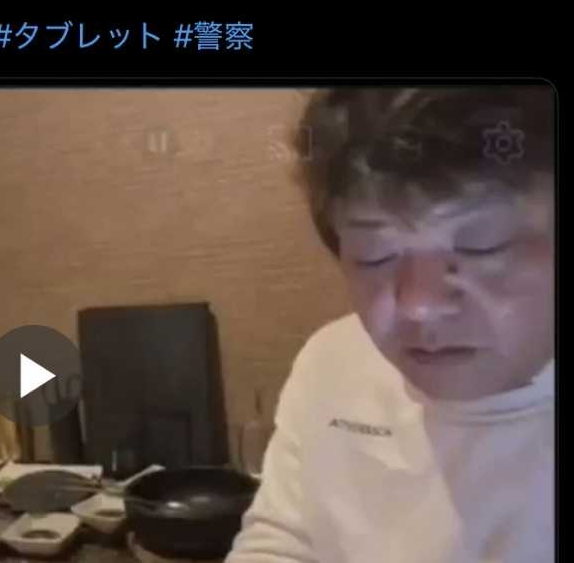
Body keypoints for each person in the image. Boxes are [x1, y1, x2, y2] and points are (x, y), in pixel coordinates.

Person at [227, 86, 554, 563]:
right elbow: (285, 538)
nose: (417, 305)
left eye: (481, 245)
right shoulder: (332, 359)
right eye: (374, 255)